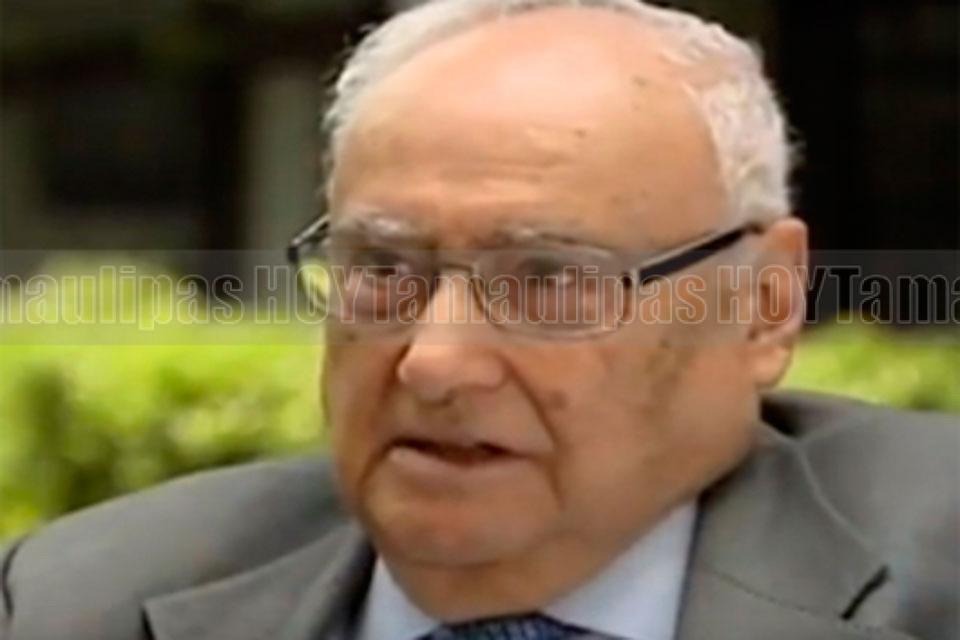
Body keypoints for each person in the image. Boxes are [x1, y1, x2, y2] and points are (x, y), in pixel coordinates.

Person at [1, 1, 957, 639]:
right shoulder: (73, 602)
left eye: (548, 279)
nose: (435, 360)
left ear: (762, 305)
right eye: (383, 269)